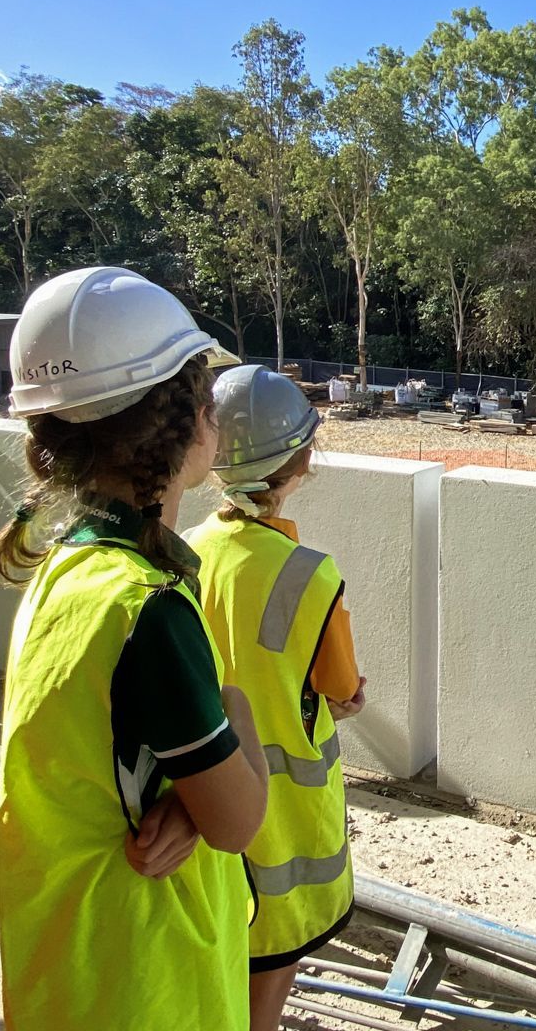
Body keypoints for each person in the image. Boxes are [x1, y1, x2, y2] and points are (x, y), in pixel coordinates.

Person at [0, 265, 269, 1030]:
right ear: (187, 423)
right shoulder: (148, 609)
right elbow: (238, 822)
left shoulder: (67, 568)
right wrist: (238, 712)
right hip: (149, 984)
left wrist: (189, 794)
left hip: (69, 974)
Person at [185, 364, 366, 1031]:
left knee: (219, 946)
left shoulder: (182, 551)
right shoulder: (310, 574)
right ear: (302, 461)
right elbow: (341, 690)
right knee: (273, 952)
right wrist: (341, 699)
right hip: (281, 812)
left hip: (200, 794)